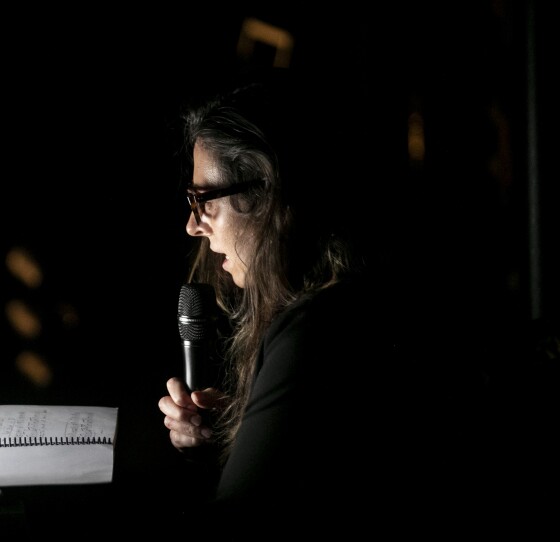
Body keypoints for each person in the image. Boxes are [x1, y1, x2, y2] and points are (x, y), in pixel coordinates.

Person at [156, 70, 490, 534]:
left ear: (268, 191)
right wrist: (232, 444)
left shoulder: (318, 328)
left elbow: (241, 530)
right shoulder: (356, 304)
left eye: (203, 199)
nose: (194, 226)